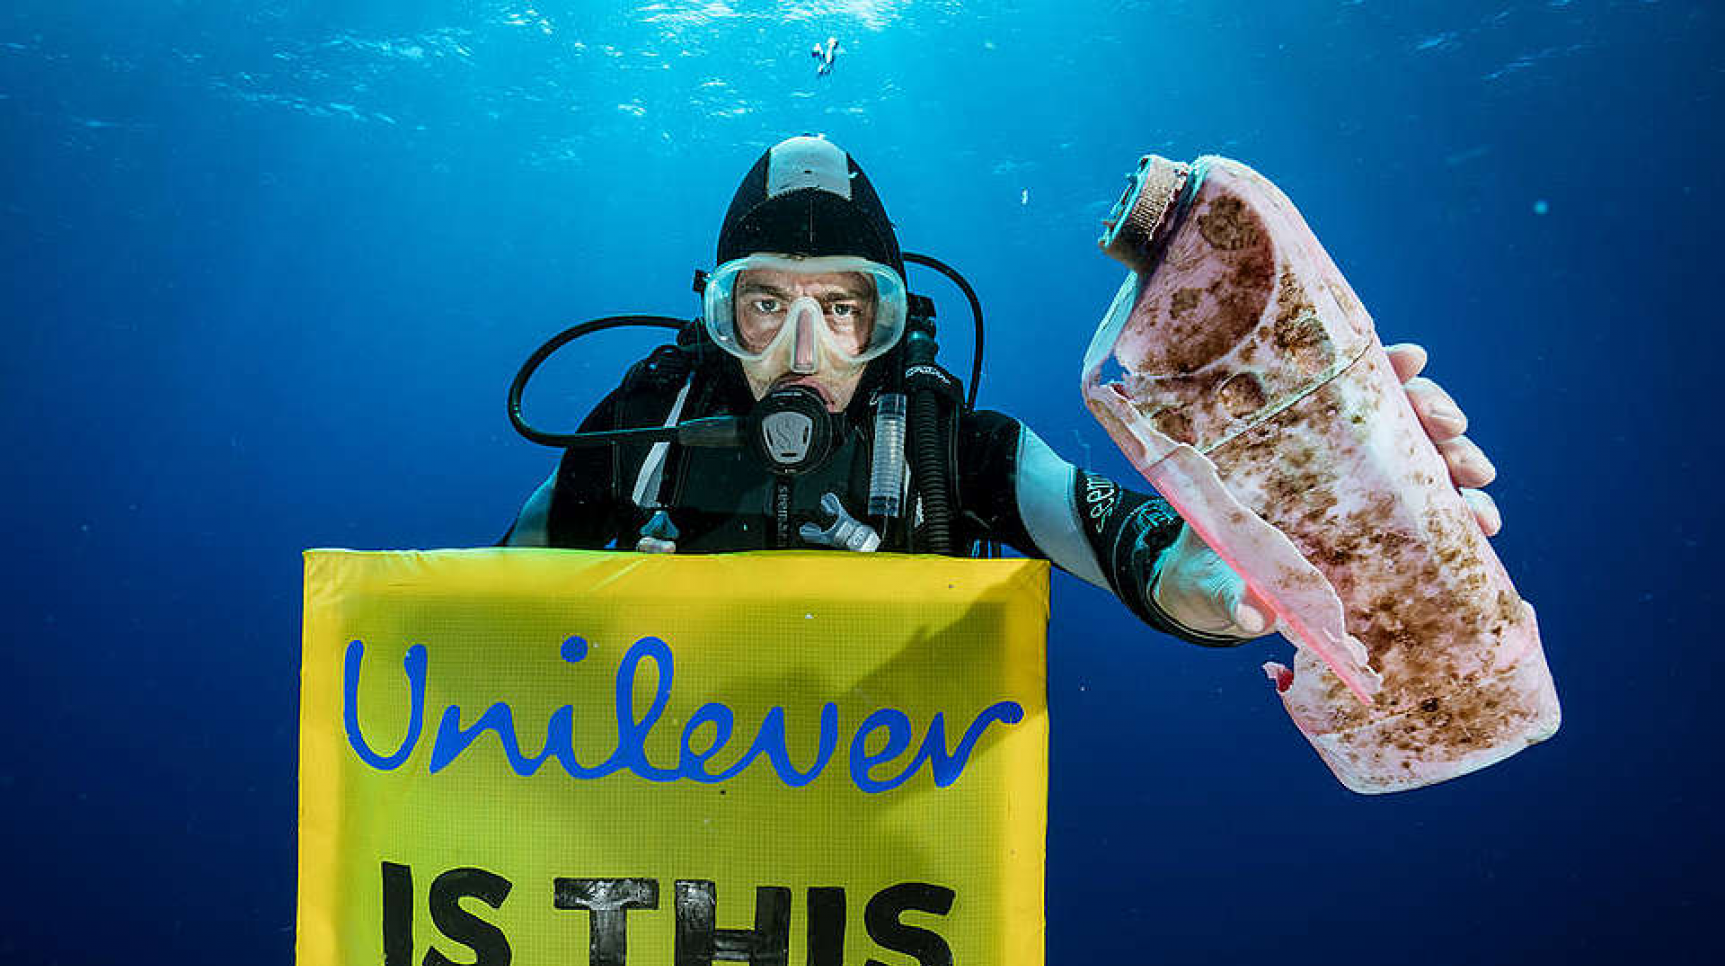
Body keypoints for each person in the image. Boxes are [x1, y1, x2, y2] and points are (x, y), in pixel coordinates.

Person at [503, 135, 1500, 646]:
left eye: (844, 307)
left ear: (891, 321)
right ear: (718, 317)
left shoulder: (953, 449)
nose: (799, 351)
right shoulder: (646, 426)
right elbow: (480, 612)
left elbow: (1122, 539)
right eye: (763, 304)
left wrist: (1225, 565)